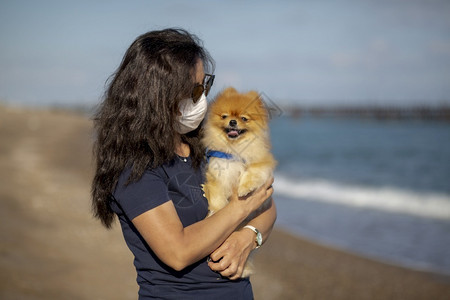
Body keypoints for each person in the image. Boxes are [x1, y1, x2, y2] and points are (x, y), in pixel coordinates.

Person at [91, 28, 276, 299]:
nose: (203, 99)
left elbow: (267, 203)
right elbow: (178, 251)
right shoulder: (135, 168)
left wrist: (249, 236)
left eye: (206, 86)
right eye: (194, 90)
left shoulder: (211, 143)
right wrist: (241, 207)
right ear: (157, 96)